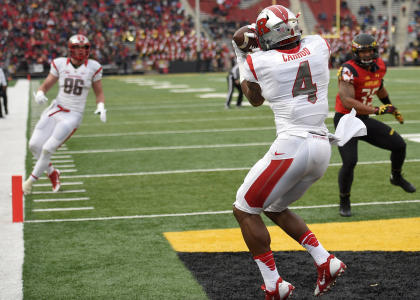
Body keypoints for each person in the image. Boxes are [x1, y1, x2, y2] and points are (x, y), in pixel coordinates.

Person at [232, 5, 346, 299]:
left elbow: (254, 99)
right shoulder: (320, 45)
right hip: (320, 148)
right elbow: (296, 44)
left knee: (244, 209)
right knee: (274, 207)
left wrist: (242, 53)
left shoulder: (263, 62)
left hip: (292, 146)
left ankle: (274, 284)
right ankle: (324, 260)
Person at [334, 33, 416, 217]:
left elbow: (378, 88)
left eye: (370, 51)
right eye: (363, 52)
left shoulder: (380, 65)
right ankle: (344, 200)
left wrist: (391, 107)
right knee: (350, 162)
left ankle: (396, 176)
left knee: (399, 145)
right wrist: (375, 110)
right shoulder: (348, 70)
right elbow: (346, 101)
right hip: (346, 120)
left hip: (363, 119)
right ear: (356, 52)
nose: (367, 55)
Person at [22, 34, 107, 195]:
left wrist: (101, 106)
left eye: (84, 48)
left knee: (47, 149)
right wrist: (40, 92)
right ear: (70, 49)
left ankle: (29, 183)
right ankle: (53, 172)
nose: (81, 51)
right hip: (56, 108)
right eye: (77, 48)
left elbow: (99, 92)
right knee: (34, 145)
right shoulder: (60, 63)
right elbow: (47, 84)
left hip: (73, 115)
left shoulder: (93, 67)